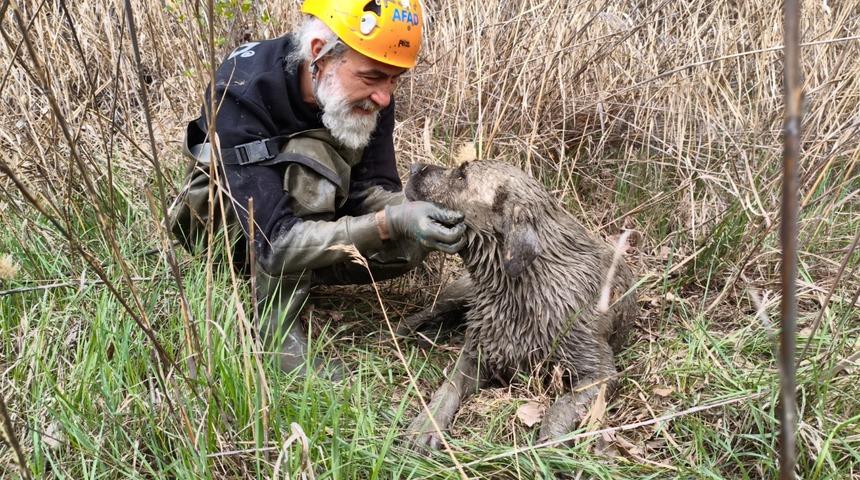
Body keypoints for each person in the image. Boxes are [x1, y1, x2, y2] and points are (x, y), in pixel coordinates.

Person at [172, 0, 466, 379]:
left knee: (409, 241)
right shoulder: (243, 85)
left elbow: (371, 188)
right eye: (373, 76)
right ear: (319, 56)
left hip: (303, 218)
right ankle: (276, 332)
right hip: (224, 229)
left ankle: (307, 273)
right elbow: (273, 239)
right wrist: (387, 222)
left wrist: (414, 214)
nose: (385, 97)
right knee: (311, 163)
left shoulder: (373, 93)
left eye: (395, 79)